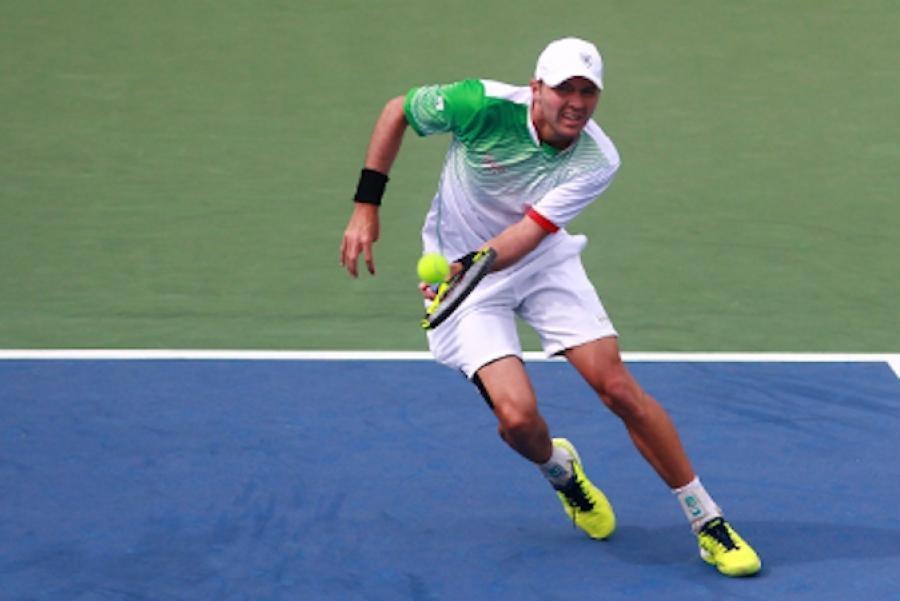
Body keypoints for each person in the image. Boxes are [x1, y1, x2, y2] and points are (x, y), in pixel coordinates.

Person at [339, 37, 761, 577]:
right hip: (466, 280)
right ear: (536, 89)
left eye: (588, 92)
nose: (577, 103)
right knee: (517, 420)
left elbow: (528, 234)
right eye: (565, 89)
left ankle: (707, 521)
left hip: (536, 262)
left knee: (617, 388)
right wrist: (365, 207)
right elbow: (396, 110)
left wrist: (468, 266)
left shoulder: (596, 158)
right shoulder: (481, 105)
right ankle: (563, 473)